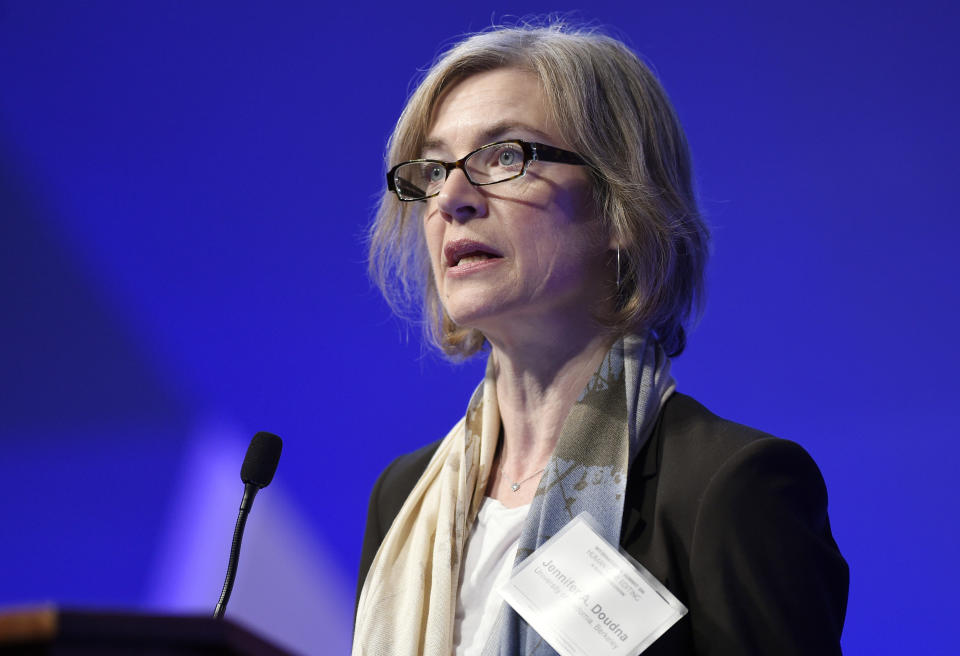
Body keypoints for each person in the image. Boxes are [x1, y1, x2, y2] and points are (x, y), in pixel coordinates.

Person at [354, 22, 848, 656]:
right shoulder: (403, 497)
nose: (452, 198)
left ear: (622, 206)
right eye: (434, 168)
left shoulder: (729, 491)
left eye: (506, 155)